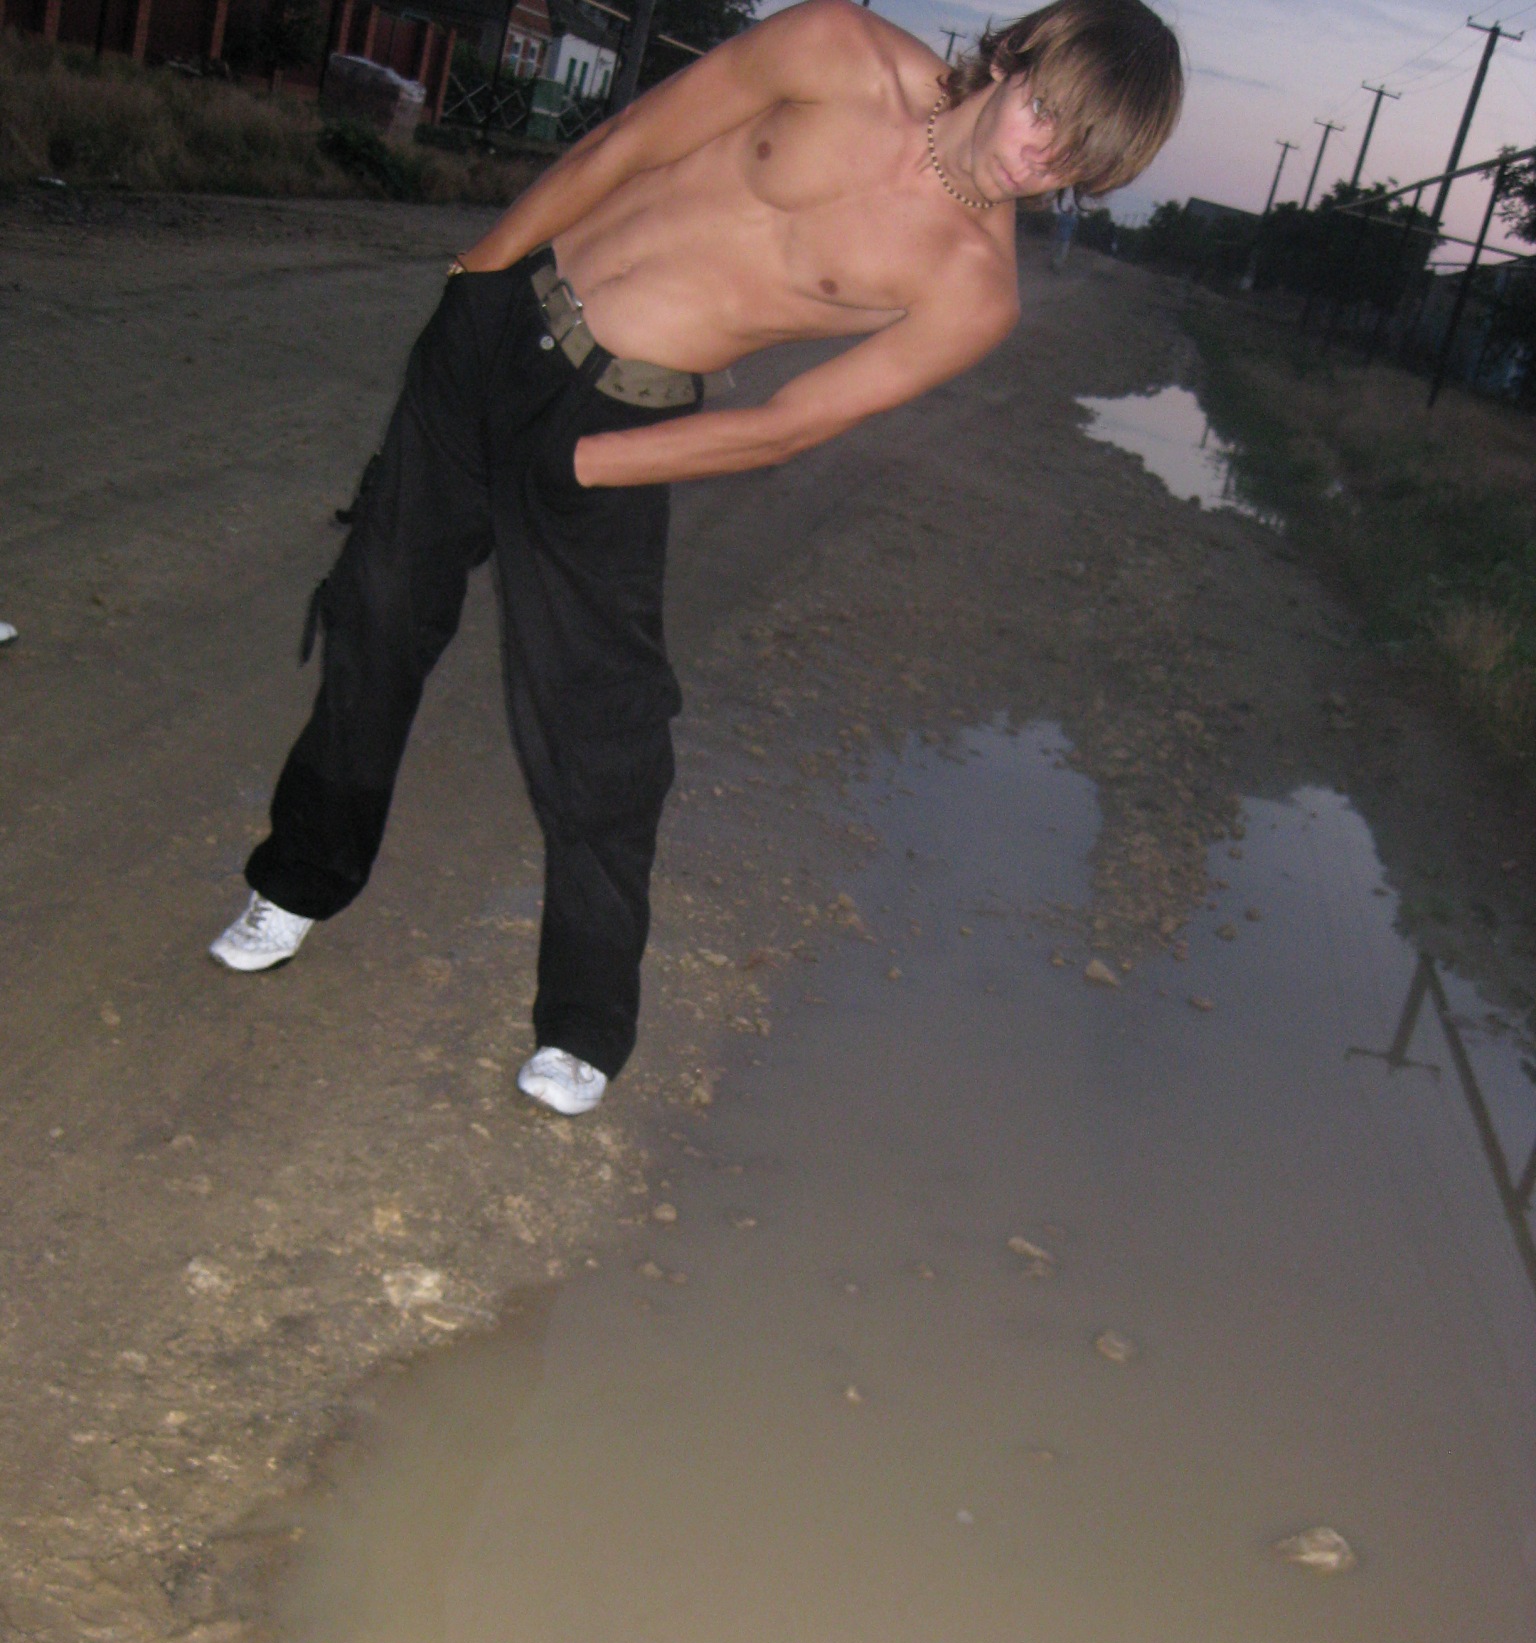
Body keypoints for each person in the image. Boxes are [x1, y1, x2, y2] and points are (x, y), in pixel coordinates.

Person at [211, 0, 1183, 1115]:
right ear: (1017, 57)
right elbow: (628, 142)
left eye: (1078, 160)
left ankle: (584, 1024)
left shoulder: (974, 287)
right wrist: (474, 274)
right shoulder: (836, 48)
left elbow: (789, 425)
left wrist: (584, 466)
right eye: (1047, 114)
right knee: (378, 611)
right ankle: (298, 884)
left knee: (602, 724)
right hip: (503, 323)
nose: (1040, 160)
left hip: (618, 423)